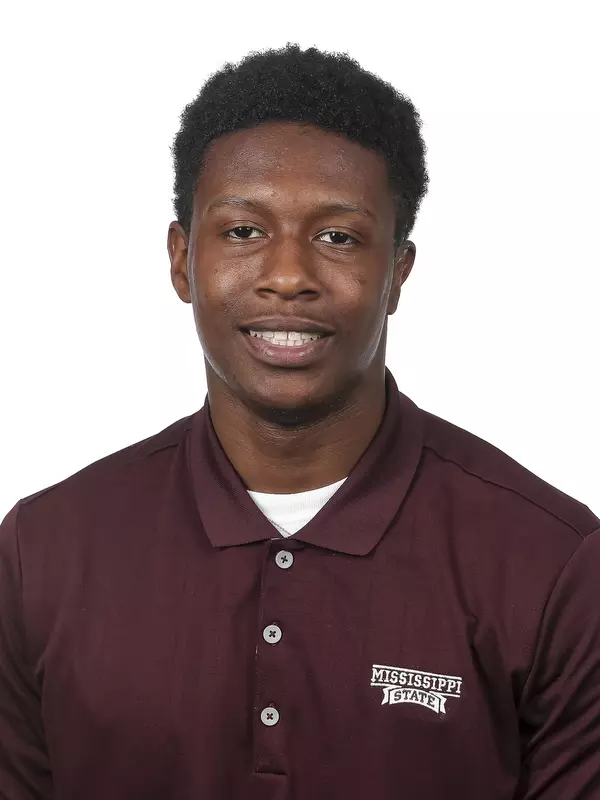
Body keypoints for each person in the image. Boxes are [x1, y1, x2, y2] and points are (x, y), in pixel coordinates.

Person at [0, 43, 598, 800]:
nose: (288, 276)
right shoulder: (41, 552)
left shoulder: (553, 564)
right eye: (244, 231)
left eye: (337, 237)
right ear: (182, 260)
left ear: (398, 273)